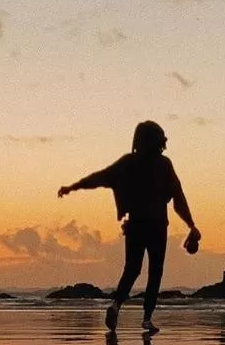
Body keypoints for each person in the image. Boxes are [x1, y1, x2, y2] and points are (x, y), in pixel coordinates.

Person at [58, 120, 200, 333]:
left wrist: (73, 187)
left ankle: (115, 305)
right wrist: (191, 225)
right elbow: (178, 198)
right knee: (155, 271)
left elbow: (100, 177)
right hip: (157, 226)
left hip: (135, 226)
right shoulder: (164, 165)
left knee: (132, 269)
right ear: (159, 141)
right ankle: (147, 318)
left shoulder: (129, 163)